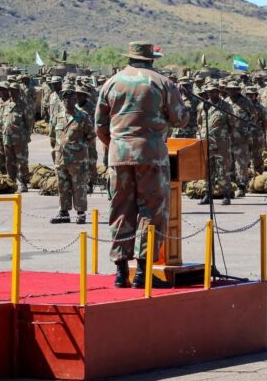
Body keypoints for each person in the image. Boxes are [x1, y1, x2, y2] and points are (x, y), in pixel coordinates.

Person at [95, 42, 188, 289]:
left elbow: (100, 126)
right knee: (152, 212)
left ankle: (120, 271)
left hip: (119, 156)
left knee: (121, 210)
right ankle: (143, 273)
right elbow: (180, 119)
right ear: (152, 59)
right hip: (151, 156)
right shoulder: (162, 83)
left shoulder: (112, 83)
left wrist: (117, 145)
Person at [50, 87, 95, 224]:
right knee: (62, 186)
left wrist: (79, 149)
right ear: (62, 101)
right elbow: (52, 137)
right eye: (65, 99)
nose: (68, 102)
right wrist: (57, 150)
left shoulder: (83, 117)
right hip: (61, 158)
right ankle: (63, 213)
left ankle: (81, 213)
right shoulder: (58, 117)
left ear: (75, 100)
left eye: (71, 99)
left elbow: (91, 135)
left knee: (79, 186)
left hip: (77, 159)